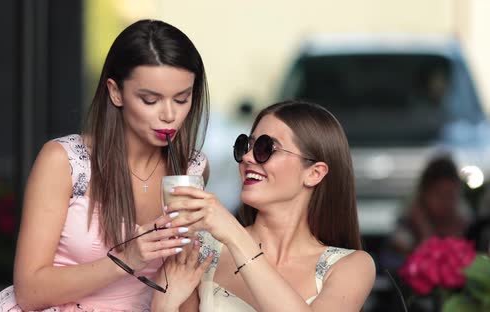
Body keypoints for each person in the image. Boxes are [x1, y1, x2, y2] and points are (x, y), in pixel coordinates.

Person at [0, 19, 210, 312]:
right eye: (150, 100)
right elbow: (29, 292)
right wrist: (127, 259)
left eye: (182, 99)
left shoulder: (191, 169)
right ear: (116, 92)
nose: (170, 115)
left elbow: (183, 283)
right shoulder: (65, 162)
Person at [151, 100, 375, 311]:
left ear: (314, 173)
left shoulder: (351, 266)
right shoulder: (200, 251)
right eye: (245, 146)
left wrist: (234, 234)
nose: (248, 157)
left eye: (266, 148)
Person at [390, 155, 469, 256]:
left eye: (450, 195)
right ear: (424, 194)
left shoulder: (466, 224)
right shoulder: (407, 225)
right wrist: (425, 232)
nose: (445, 202)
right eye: (438, 194)